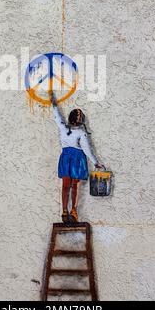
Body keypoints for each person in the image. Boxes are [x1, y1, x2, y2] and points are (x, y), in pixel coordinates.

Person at [50, 92, 104, 223]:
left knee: (65, 185)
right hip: (77, 160)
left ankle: (64, 210)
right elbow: (87, 150)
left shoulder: (63, 129)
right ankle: (73, 210)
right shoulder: (81, 133)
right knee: (76, 186)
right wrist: (96, 163)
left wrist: (53, 102)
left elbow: (57, 116)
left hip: (65, 159)